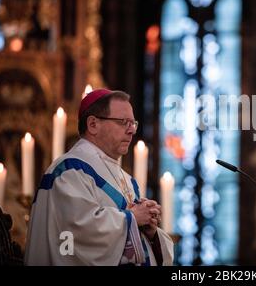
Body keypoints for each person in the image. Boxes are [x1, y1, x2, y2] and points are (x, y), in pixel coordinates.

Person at [24, 89, 173, 266]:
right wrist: (132, 218)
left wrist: (150, 231)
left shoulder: (126, 179)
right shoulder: (69, 171)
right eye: (123, 122)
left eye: (133, 123)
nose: (132, 130)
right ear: (93, 124)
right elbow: (74, 236)